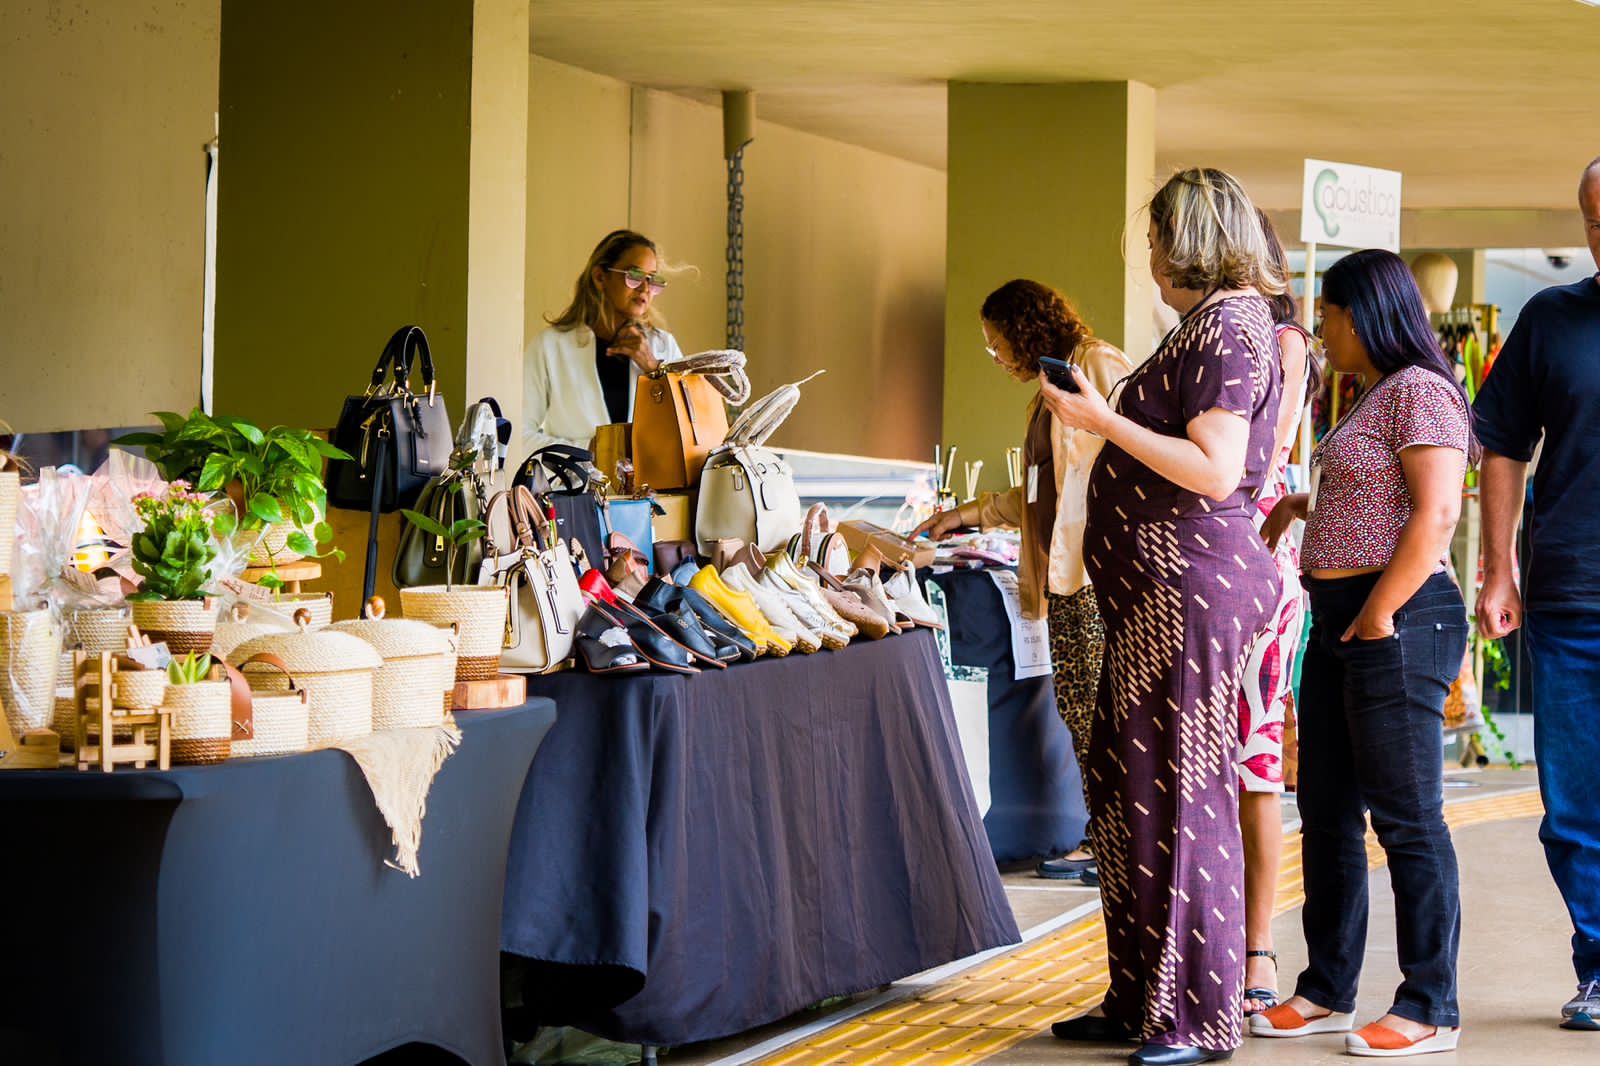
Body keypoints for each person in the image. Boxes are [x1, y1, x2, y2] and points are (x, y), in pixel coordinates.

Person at [1041, 167, 1283, 1066]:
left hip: (1186, 596)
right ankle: (1140, 993)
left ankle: (1195, 1017)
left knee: (1182, 796)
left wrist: (1102, 419)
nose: (1147, 258)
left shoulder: (1227, 329)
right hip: (1153, 600)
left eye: (1155, 240)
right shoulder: (1219, 325)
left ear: (1189, 242)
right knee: (1126, 791)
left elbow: (1215, 469)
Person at [1252, 249, 1471, 1057]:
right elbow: (1376, 490)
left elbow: (1438, 511)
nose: (1323, 331)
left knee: (1408, 818)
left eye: (1331, 315)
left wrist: (1378, 613)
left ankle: (1430, 1006)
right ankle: (1326, 987)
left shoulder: (1420, 390)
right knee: (1330, 810)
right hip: (1346, 613)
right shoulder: (1374, 394)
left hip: (1399, 615)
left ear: (1361, 313)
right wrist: (1307, 505)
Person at [912, 279, 1133, 884]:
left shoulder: (1095, 364)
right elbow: (1040, 493)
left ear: (1023, 329)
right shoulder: (1045, 391)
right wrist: (967, 514)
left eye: (996, 343)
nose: (996, 357)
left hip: (1092, 574)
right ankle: (1104, 834)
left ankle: (1111, 842)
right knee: (1080, 708)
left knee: (1098, 710)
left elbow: (1127, 457)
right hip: (1060, 579)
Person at [1473, 155, 1600, 1033]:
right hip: (1574, 603)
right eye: (1596, 219)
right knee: (1574, 811)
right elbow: (1503, 447)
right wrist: (1498, 567)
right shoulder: (1552, 319)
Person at [1237, 210, 1319, 1016]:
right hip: (1213, 565)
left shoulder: (1283, 340)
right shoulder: (1202, 335)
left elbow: (1260, 454)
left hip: (1257, 565)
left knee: (1257, 763)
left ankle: (1258, 946)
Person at [522, 229, 684, 455]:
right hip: (574, 486)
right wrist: (589, 451)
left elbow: (687, 427)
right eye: (634, 276)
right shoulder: (550, 347)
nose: (645, 288)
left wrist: (655, 369)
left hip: (650, 489)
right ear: (600, 277)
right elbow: (520, 435)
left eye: (653, 279)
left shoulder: (663, 347)